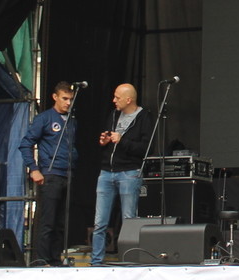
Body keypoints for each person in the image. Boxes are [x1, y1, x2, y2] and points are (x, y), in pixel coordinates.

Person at [91, 83, 154, 266]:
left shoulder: (144, 117)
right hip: (106, 172)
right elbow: (110, 141)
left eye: (117, 97)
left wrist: (122, 140)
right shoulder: (113, 115)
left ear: (128, 99)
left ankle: (128, 261)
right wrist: (105, 142)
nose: (114, 100)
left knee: (129, 220)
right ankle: (96, 261)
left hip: (129, 172)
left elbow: (146, 148)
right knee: (99, 222)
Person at [17, 82, 77, 266]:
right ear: (55, 97)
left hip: (68, 174)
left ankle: (55, 259)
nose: (68, 103)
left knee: (61, 223)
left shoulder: (72, 120)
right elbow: (25, 144)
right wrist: (34, 169)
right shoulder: (44, 118)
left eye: (70, 99)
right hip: (50, 174)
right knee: (47, 221)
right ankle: (41, 260)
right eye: (64, 99)